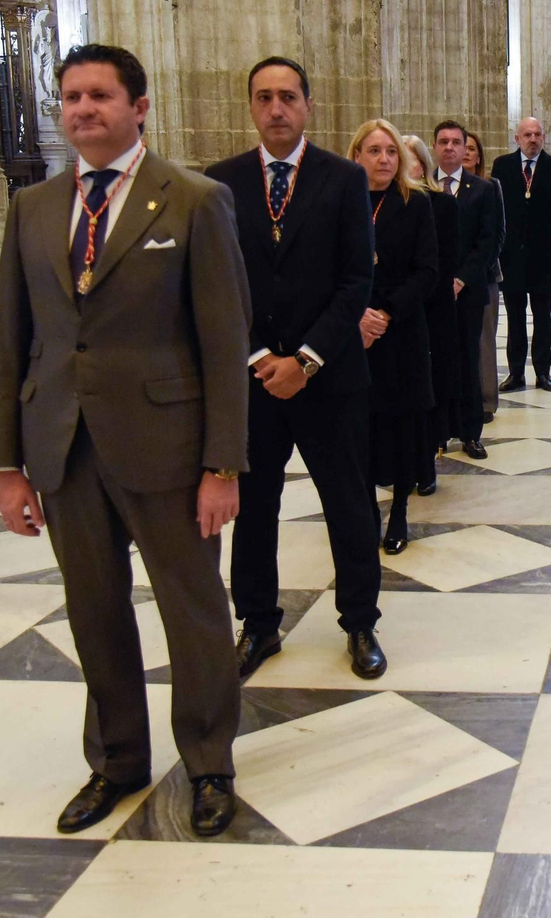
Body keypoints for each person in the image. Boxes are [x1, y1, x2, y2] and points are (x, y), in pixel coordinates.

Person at [0, 43, 247, 836]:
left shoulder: (194, 200)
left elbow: (224, 340)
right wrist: (8, 463)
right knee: (92, 609)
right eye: (70, 97)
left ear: (139, 107)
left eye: (99, 95)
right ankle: (117, 760)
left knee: (193, 608)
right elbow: (12, 338)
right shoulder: (34, 207)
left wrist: (222, 465)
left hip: (167, 445)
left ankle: (208, 762)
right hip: (63, 443)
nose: (82, 110)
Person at [203, 57, 385, 685]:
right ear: (251, 107)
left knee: (348, 501)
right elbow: (218, 286)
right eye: (263, 97)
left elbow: (356, 279)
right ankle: (257, 623)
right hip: (254, 383)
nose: (275, 108)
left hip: (329, 375)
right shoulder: (220, 183)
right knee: (254, 505)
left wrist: (305, 359)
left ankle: (360, 621)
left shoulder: (342, 179)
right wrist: (260, 358)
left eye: (287, 96)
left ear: (308, 104)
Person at [351, 119, 438, 555]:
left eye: (390, 151)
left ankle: (400, 509)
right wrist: (357, 316)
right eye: (373, 150)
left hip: (400, 329)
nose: (383, 158)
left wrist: (384, 314)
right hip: (352, 332)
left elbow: (427, 271)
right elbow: (328, 270)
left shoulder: (415, 204)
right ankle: (364, 510)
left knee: (403, 423)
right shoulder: (340, 203)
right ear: (357, 156)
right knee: (360, 425)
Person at [433, 120, 501, 462]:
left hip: (469, 290)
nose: (449, 147)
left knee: (468, 357)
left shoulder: (482, 189)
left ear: (464, 149)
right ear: (434, 148)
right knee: (439, 360)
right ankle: (440, 432)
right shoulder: (422, 188)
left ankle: (471, 432)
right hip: (432, 292)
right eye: (443, 142)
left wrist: (461, 278)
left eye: (455, 142)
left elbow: (487, 242)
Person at [490, 117, 551, 392]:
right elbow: (494, 213)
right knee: (514, 318)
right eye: (527, 134)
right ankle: (515, 373)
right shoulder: (502, 166)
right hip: (510, 258)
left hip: (543, 258)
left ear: (544, 137)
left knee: (542, 318)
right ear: (517, 139)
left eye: (537, 134)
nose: (533, 139)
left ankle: (543, 373)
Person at [402, 133, 460, 497]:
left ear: (422, 165)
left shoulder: (441, 204)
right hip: (396, 312)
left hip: (433, 308)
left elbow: (444, 261)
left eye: (403, 157)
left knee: (429, 384)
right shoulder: (381, 203)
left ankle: (427, 458)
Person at [464, 132, 503, 424]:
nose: (464, 152)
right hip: (448, 280)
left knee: (484, 340)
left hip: (484, 274)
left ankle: (486, 400)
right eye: (458, 146)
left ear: (478, 156)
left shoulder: (491, 186)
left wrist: (474, 270)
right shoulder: (436, 186)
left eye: (471, 148)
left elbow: (496, 234)